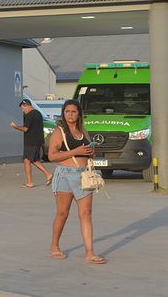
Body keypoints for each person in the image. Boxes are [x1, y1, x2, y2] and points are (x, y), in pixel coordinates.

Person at [46, 99, 106, 264]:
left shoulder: (83, 131)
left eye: (73, 111)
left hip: (83, 175)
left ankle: (90, 252)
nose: (70, 115)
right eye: (67, 112)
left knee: (86, 213)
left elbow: (85, 152)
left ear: (79, 113)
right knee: (62, 213)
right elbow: (52, 156)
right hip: (65, 175)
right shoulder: (59, 132)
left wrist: (89, 152)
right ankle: (54, 246)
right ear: (63, 114)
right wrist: (77, 150)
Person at [9, 99, 53, 188]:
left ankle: (48, 174)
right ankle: (29, 182)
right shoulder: (37, 113)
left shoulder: (30, 115)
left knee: (33, 159)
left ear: (26, 105)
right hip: (32, 141)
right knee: (26, 159)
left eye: (23, 108)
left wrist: (15, 126)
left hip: (32, 141)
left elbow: (25, 129)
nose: (23, 110)